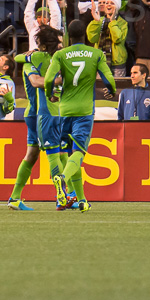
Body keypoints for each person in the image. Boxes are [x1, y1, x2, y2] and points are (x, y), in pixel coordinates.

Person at [44, 19, 117, 213]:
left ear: (68, 36)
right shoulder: (96, 54)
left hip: (64, 110)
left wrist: (50, 94)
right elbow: (108, 79)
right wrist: (112, 90)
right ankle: (63, 179)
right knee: (78, 153)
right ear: (85, 35)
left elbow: (49, 79)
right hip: (84, 111)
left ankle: (82, 200)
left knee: (69, 155)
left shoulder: (60, 54)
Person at [9, 25, 62, 211]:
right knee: (56, 154)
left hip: (33, 112)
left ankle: (15, 197)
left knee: (32, 155)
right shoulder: (54, 59)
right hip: (45, 112)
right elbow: (36, 82)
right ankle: (62, 196)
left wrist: (27, 55)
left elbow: (17, 58)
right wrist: (58, 81)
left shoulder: (32, 58)